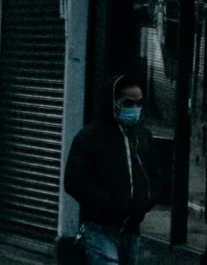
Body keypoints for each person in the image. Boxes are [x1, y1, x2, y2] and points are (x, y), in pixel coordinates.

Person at [64, 74, 163, 265]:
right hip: (100, 228)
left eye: (138, 103)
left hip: (132, 229)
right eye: (128, 103)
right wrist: (107, 202)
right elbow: (75, 180)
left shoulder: (142, 136)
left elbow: (156, 172)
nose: (134, 109)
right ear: (113, 102)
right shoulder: (90, 137)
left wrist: (147, 199)